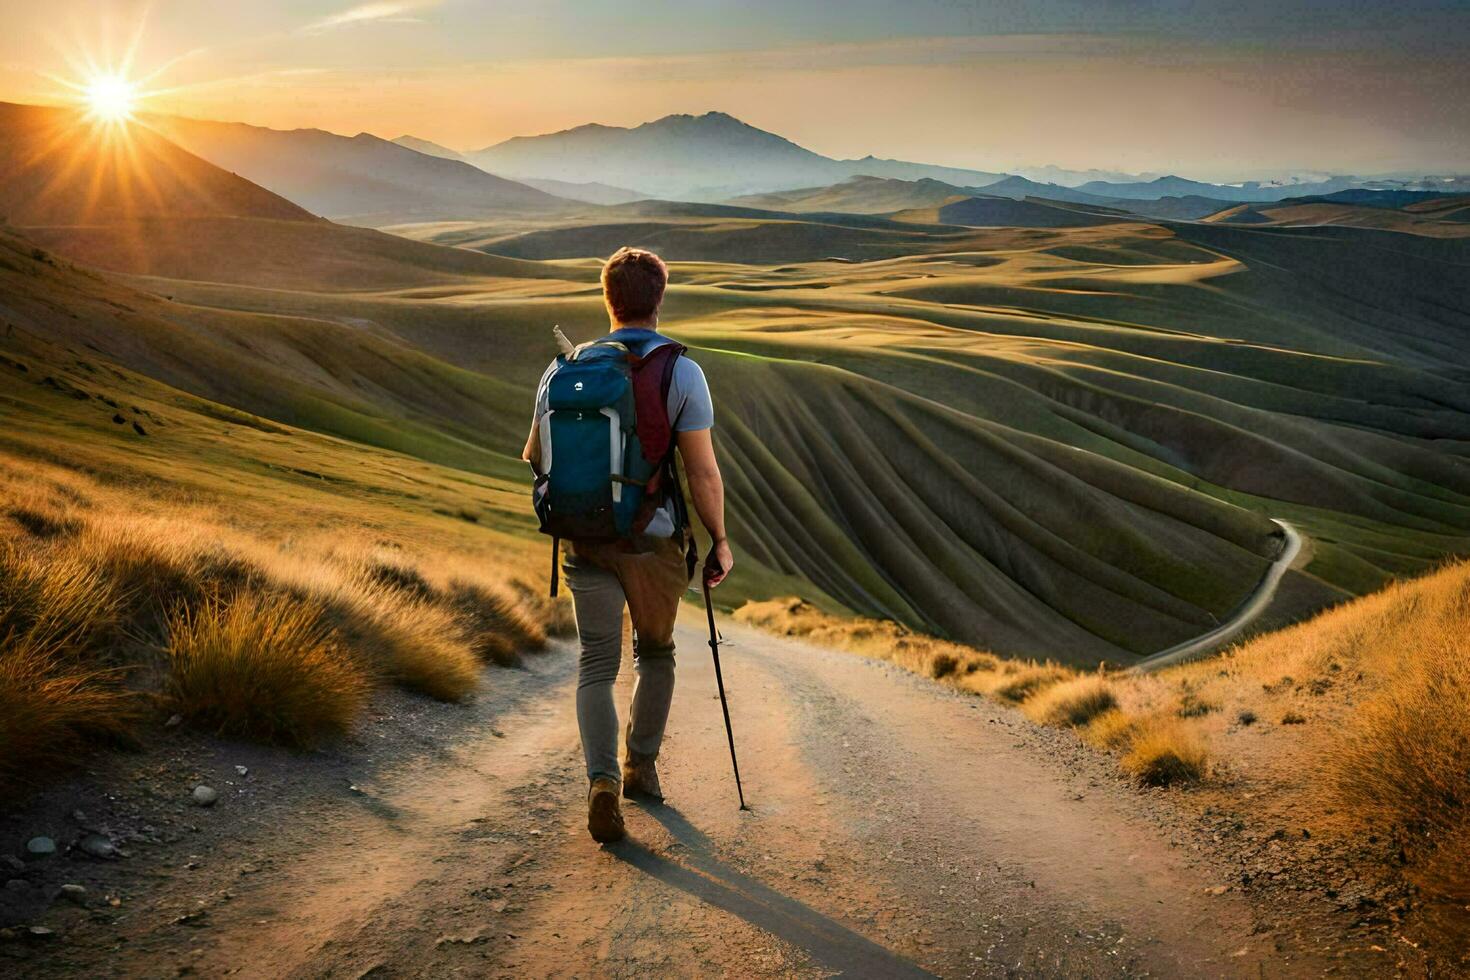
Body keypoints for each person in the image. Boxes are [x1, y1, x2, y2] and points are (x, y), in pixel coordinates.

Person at [523, 246, 733, 843]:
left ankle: (600, 783)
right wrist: (719, 540)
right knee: (656, 654)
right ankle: (641, 766)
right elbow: (703, 473)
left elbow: (536, 457)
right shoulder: (680, 371)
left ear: (606, 299)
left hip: (584, 536)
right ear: (659, 299)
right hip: (653, 542)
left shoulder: (562, 369)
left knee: (595, 662)